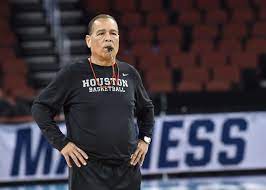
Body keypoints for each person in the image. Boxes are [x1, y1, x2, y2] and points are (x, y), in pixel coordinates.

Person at [31, 14, 154, 190]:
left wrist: (145, 140)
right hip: (88, 172)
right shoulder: (73, 73)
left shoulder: (130, 73)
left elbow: (147, 109)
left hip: (128, 170)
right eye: (101, 33)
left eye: (113, 33)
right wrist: (62, 144)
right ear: (88, 41)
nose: (108, 38)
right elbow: (40, 108)